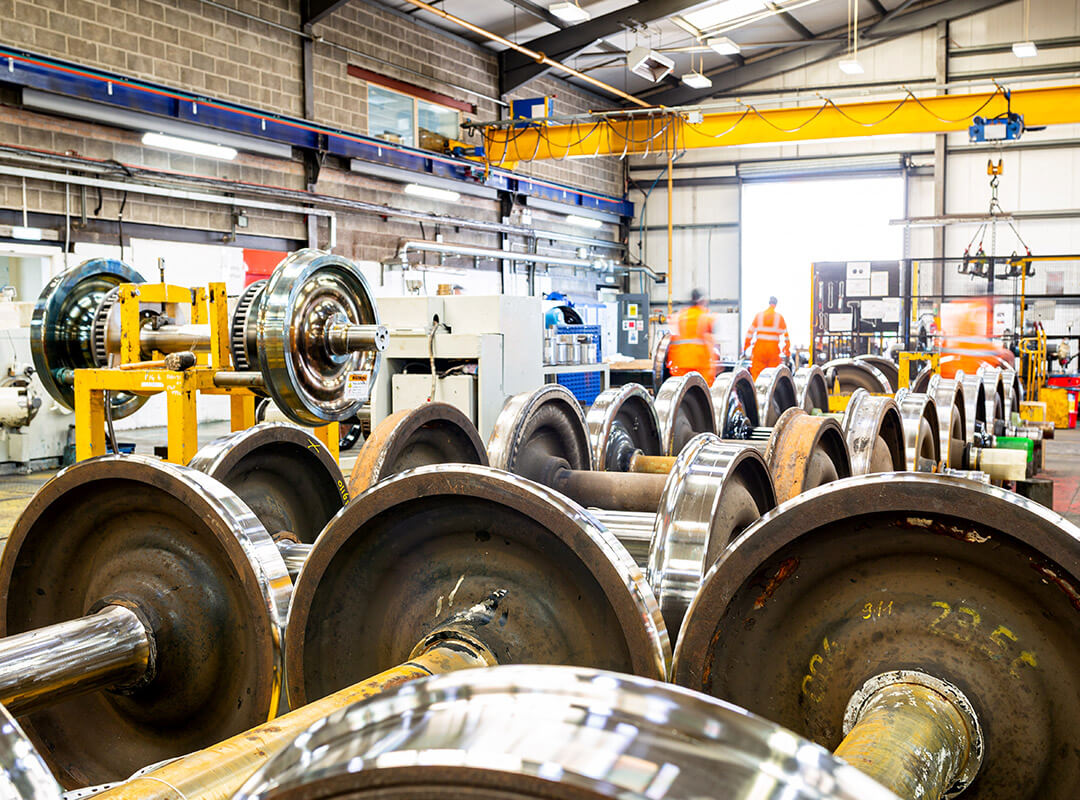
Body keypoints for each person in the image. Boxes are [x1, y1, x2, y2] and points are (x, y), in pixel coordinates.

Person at [666, 289, 716, 384]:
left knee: (681, 390)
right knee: (703, 390)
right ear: (701, 301)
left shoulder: (680, 315)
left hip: (680, 362)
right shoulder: (705, 316)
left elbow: (672, 337)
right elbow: (709, 340)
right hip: (700, 363)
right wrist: (713, 363)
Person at [743, 296, 790, 379]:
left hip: (760, 349)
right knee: (772, 375)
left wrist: (746, 347)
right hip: (773, 350)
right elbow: (786, 337)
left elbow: (750, 333)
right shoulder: (779, 317)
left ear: (769, 303)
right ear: (776, 304)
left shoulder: (759, 316)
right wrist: (786, 351)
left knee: (757, 373)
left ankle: (756, 386)